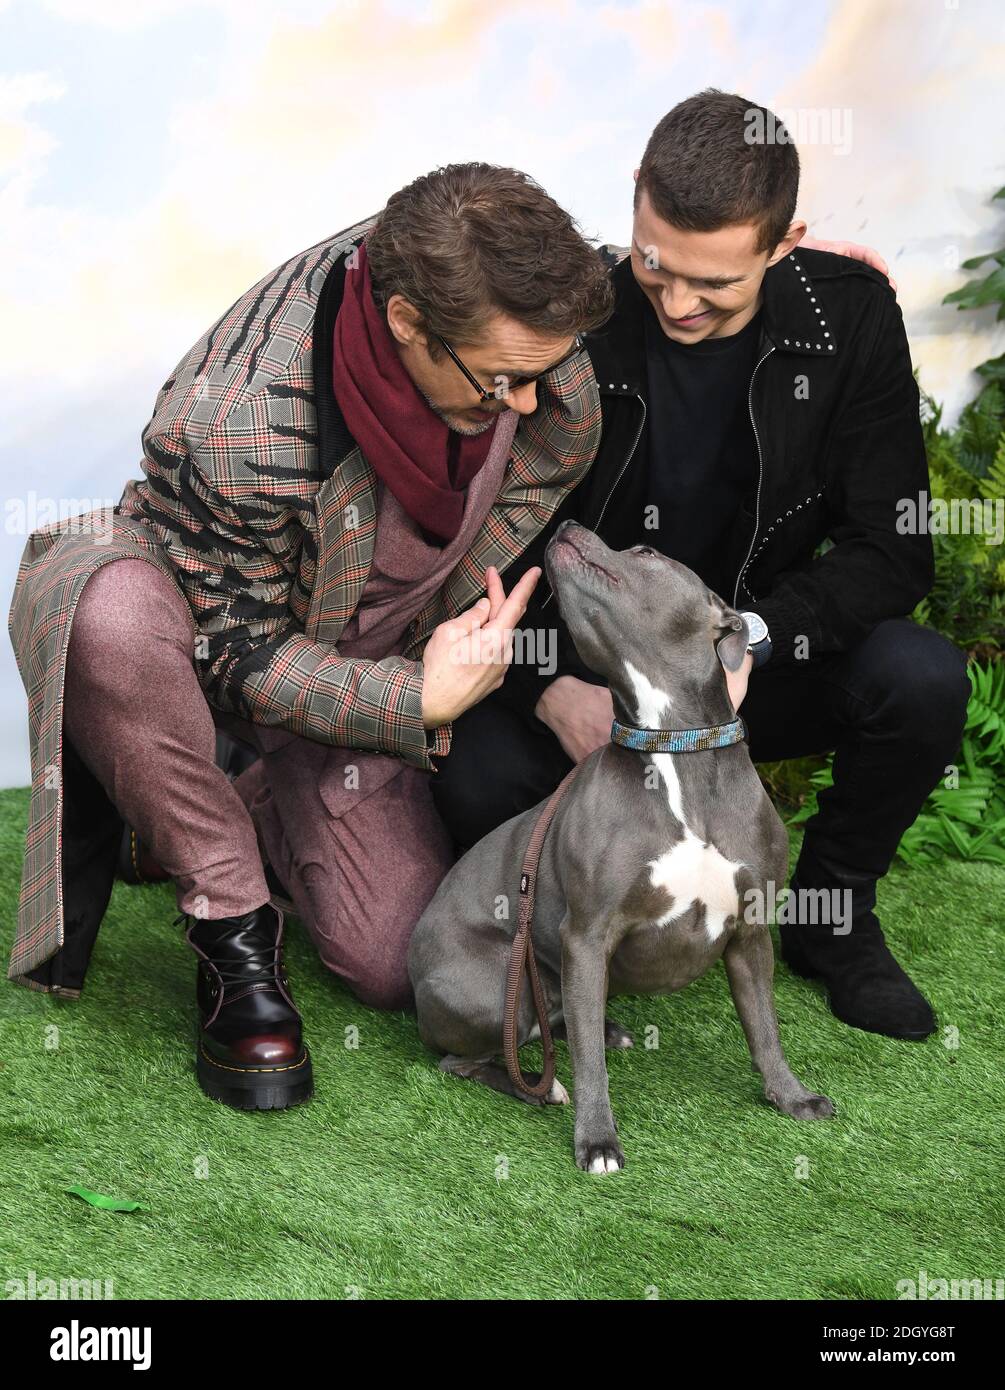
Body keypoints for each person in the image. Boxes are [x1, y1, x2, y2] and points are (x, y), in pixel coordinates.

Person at [6, 163, 613, 1110]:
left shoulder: (493, 288)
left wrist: (789, 262)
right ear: (407, 323)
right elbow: (240, 654)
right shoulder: (232, 427)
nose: (530, 405)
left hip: (367, 643)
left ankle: (174, 810)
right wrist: (413, 702)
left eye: (540, 376)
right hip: (222, 633)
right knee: (107, 611)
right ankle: (228, 916)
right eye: (504, 383)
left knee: (387, 961)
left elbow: (662, 272)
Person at [432, 92, 971, 1042]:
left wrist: (754, 638)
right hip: (593, 681)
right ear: (636, 197)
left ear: (783, 242)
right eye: (655, 266)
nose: (676, 303)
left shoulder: (848, 323)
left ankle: (831, 923)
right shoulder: (577, 320)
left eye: (713, 283)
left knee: (920, 677)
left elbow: (892, 551)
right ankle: (576, 936)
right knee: (473, 777)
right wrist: (547, 687)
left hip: (747, 668)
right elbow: (491, 544)